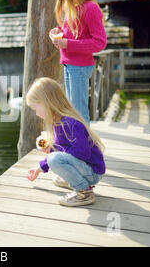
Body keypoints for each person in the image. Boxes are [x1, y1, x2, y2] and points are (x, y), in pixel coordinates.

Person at [26, 77, 106, 207]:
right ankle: (74, 179)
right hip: (84, 167)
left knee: (54, 159)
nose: (36, 113)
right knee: (54, 158)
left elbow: (83, 153)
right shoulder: (57, 123)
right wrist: (39, 168)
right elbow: (65, 150)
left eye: (35, 108)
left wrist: (54, 151)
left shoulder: (70, 124)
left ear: (47, 103)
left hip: (93, 172)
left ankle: (83, 192)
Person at [48, 0, 107, 124]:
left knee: (78, 111)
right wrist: (58, 32)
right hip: (70, 65)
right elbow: (74, 32)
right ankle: (78, 143)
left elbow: (99, 43)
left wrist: (67, 44)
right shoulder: (72, 8)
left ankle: (85, 146)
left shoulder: (90, 8)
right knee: (72, 109)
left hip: (79, 67)